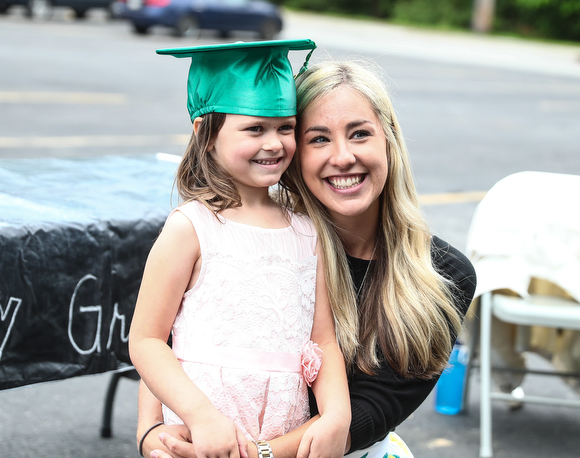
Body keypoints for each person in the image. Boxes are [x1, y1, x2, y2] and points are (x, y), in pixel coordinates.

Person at [137, 59, 477, 458]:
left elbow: (370, 412)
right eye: (318, 138)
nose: (343, 156)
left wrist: (250, 455)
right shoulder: (233, 232)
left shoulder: (442, 275)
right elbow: (172, 337)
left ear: (389, 138)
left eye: (360, 134)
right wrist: (153, 435)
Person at [129, 40, 351, 458]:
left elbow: (322, 340)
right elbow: (146, 340)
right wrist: (199, 416)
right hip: (201, 434)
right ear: (205, 134)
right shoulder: (191, 228)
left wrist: (337, 415)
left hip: (283, 429)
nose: (274, 143)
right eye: (255, 128)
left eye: (286, 127)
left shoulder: (308, 231)